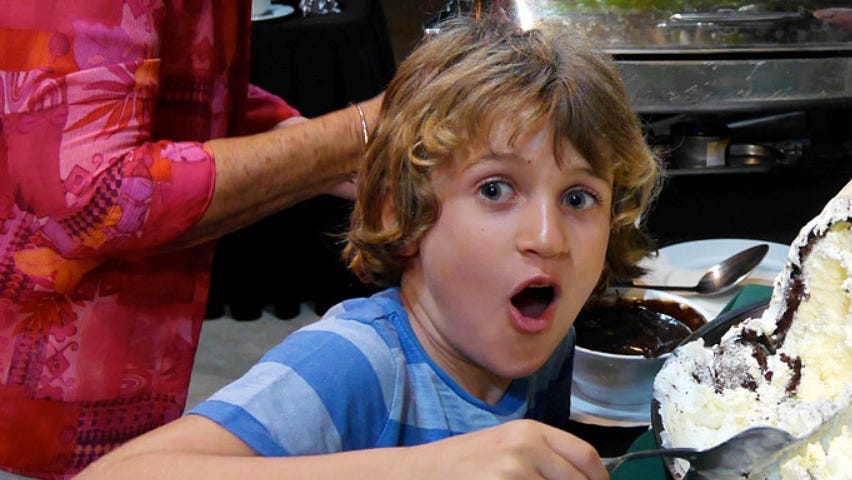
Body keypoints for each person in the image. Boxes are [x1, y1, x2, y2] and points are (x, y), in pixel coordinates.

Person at [74, 12, 663, 480]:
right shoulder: (353, 364)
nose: (546, 238)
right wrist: (426, 469)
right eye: (494, 189)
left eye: (579, 198)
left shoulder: (549, 349)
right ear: (400, 211)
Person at [0, 2, 377, 478]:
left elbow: (177, 90)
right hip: (26, 377)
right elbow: (90, 199)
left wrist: (327, 154)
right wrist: (350, 136)